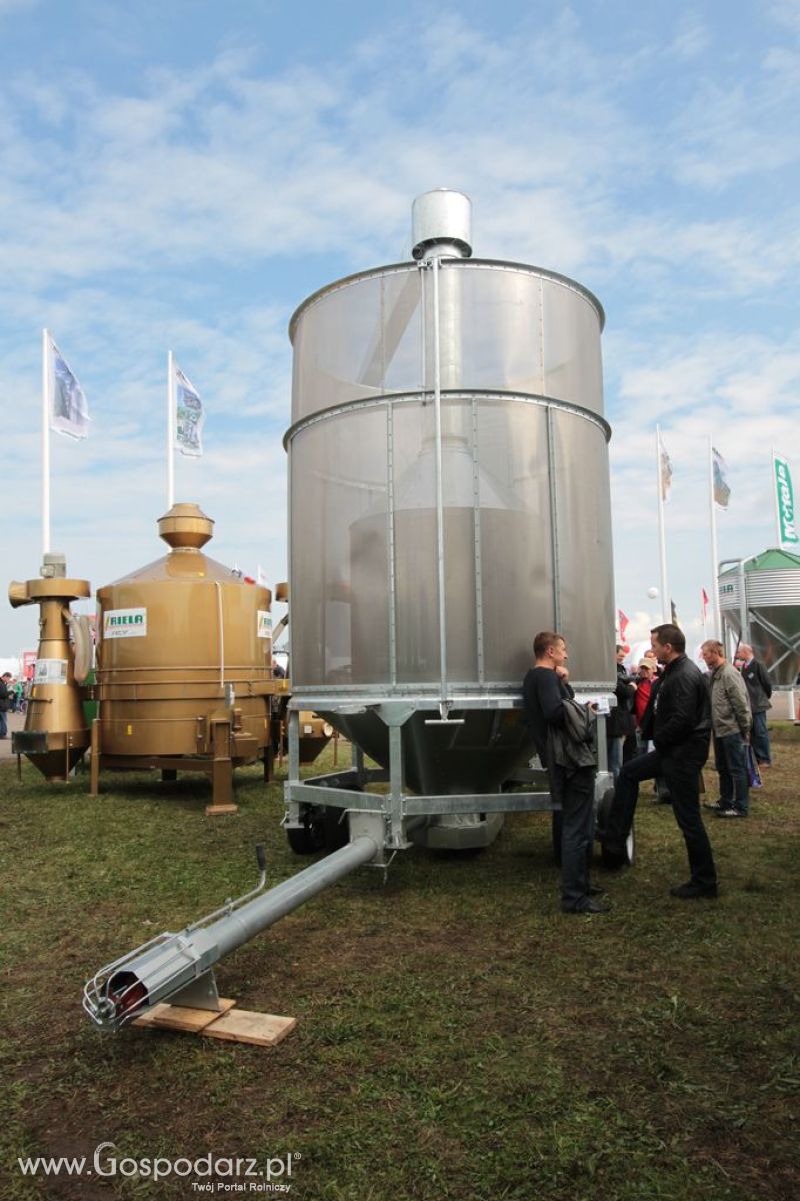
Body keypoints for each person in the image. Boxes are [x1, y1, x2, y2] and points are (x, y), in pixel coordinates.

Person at [600, 624, 718, 899]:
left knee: (689, 819)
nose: (651, 650)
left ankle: (705, 881)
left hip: (681, 756)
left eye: (654, 644)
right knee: (628, 774)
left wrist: (659, 739)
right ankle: (615, 841)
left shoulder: (685, 675)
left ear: (668, 647)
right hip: (671, 752)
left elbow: (683, 720)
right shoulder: (673, 672)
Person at [523, 631, 609, 915]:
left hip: (559, 760)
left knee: (578, 824)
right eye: (562, 650)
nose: (566, 655)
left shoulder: (537, 678)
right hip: (570, 760)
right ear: (550, 651)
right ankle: (574, 897)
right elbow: (553, 712)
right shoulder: (544, 678)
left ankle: (580, 884)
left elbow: (561, 702)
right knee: (577, 829)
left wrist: (565, 683)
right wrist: (582, 710)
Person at [701, 640, 752, 818]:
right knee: (723, 767)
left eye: (706, 653)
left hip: (732, 729)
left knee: (737, 769)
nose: (703, 657)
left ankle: (740, 806)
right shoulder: (716, 673)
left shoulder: (729, 674)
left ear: (716, 653)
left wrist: (745, 728)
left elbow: (741, 703)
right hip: (720, 729)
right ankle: (726, 801)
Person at [737, 644, 772, 767]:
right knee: (752, 733)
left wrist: (763, 697)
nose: (737, 654)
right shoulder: (744, 667)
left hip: (758, 704)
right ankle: (756, 757)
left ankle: (764, 759)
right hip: (748, 705)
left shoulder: (758, 665)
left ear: (746, 652)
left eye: (739, 652)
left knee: (761, 732)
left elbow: (767, 683)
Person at [607, 645, 636, 779]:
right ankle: (617, 792)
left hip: (620, 721)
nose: (622, 659)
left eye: (624, 657)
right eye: (620, 655)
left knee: (620, 758)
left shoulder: (621, 669)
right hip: (614, 722)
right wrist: (631, 687)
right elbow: (623, 691)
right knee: (615, 761)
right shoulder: (610, 670)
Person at [0, 672, 10, 739]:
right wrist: (10, 692)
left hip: (1, 704)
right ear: (5, 676)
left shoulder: (2, 683)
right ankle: (3, 734)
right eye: (8, 678)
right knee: (3, 720)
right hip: (1, 705)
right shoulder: (1, 684)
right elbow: (2, 694)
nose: (8, 680)